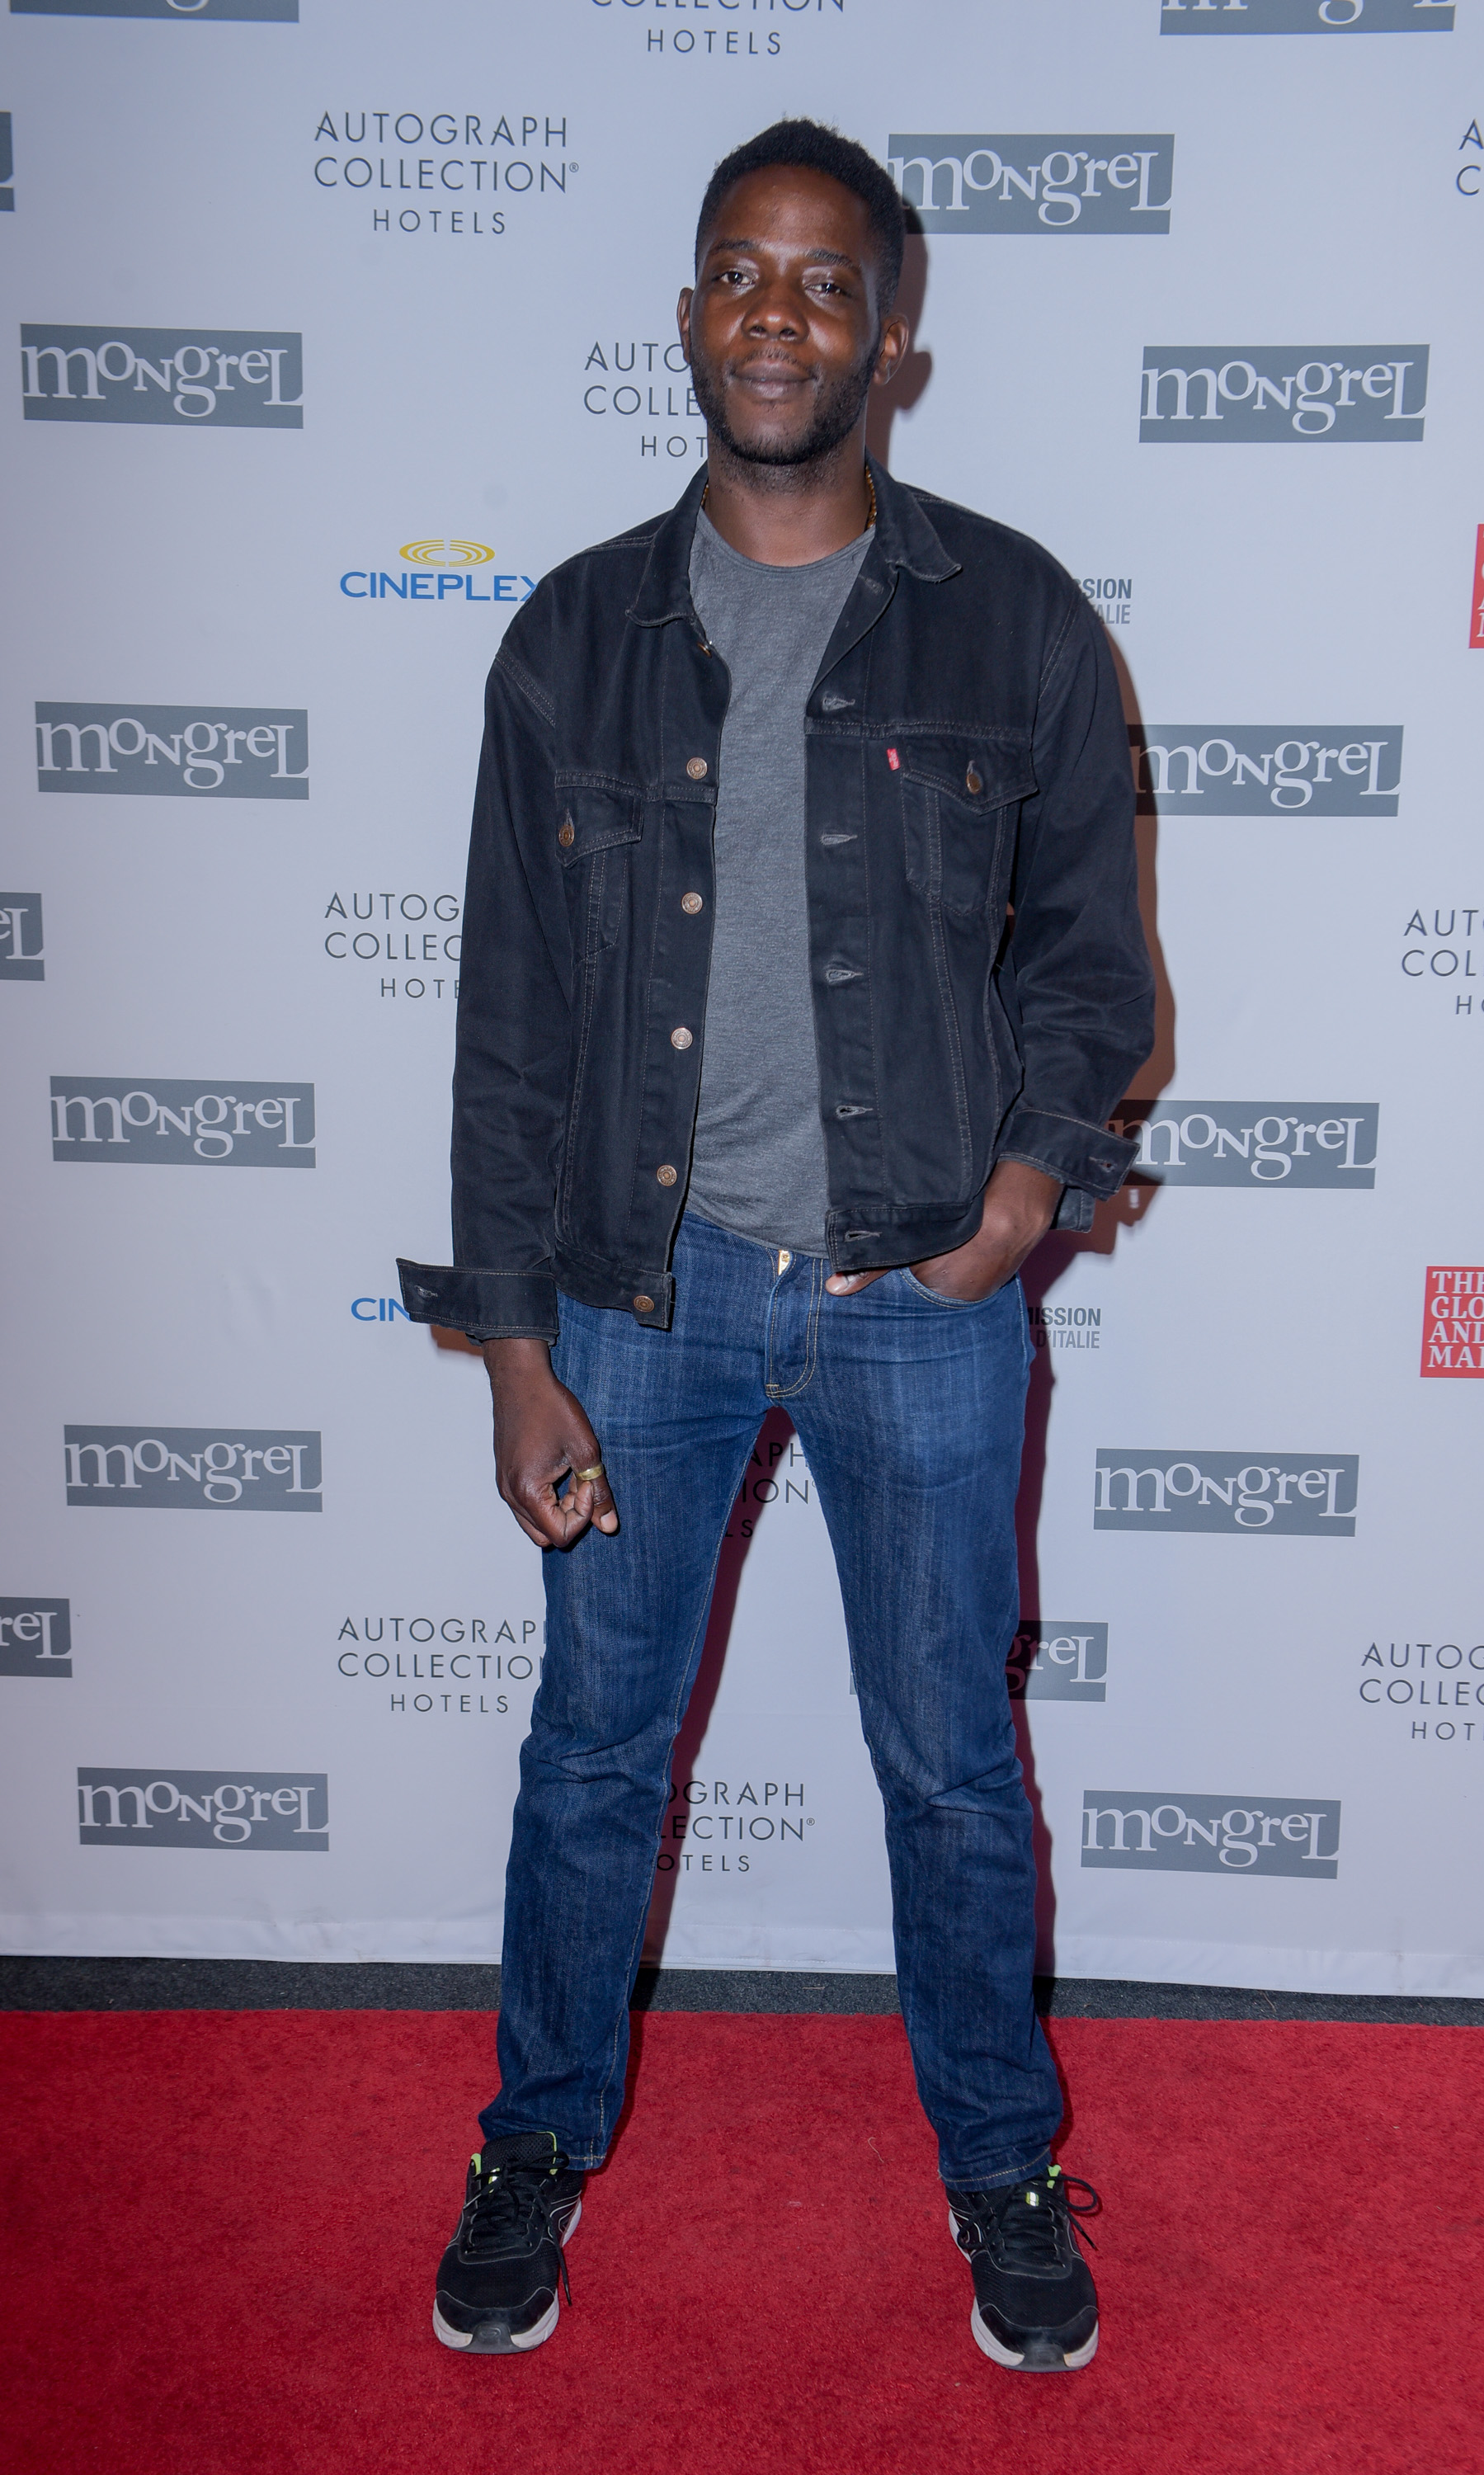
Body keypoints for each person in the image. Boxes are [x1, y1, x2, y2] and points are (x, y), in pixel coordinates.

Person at [398, 117, 1153, 2374]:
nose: (775, 315)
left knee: (947, 1762)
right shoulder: (572, 637)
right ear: (687, 308)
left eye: (825, 282)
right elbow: (508, 1020)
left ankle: (1000, 2170)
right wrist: (515, 1345)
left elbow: (1092, 976)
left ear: (891, 333)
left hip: (917, 1300)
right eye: (739, 270)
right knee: (593, 1757)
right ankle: (533, 2146)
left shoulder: (1008, 614)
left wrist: (1018, 1199)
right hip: (640, 1299)